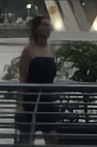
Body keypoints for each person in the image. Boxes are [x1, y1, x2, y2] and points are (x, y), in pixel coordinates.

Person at [16, 16, 60, 145]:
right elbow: (22, 78)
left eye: (49, 25)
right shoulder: (28, 51)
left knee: (53, 137)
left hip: (47, 99)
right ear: (36, 29)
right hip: (31, 100)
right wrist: (19, 105)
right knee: (27, 137)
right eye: (44, 25)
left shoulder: (50, 49)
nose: (48, 28)